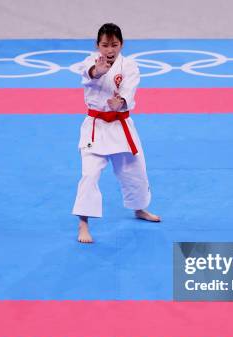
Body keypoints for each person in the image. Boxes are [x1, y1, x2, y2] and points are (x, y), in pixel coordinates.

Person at [72, 23, 160, 243]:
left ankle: (139, 208)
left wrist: (120, 102)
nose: (109, 50)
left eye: (114, 45)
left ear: (121, 44)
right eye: (104, 45)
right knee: (89, 174)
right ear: (97, 45)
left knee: (135, 170)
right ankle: (83, 224)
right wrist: (97, 72)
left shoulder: (129, 65)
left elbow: (130, 91)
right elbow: (87, 74)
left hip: (121, 126)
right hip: (96, 127)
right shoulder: (90, 61)